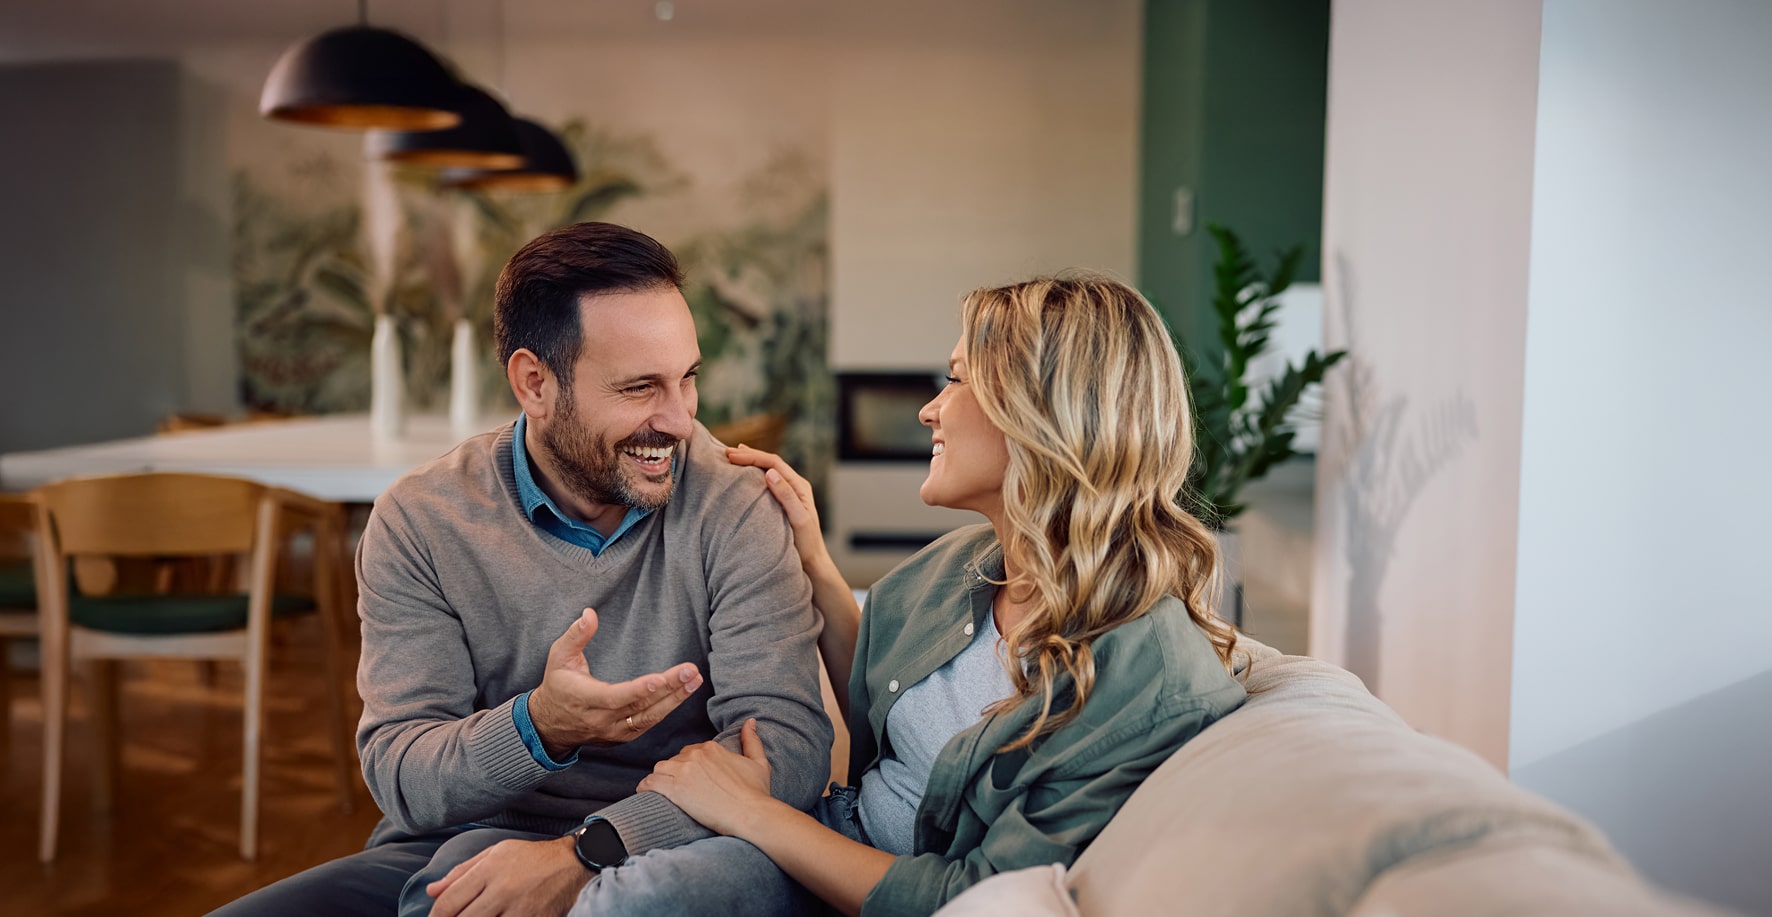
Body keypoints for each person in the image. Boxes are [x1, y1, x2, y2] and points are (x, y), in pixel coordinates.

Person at [571, 275, 1247, 917]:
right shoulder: (966, 567)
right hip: (830, 832)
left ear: (1040, 415)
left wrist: (751, 812)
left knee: (633, 899)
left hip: (859, 880)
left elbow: (971, 893)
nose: (929, 408)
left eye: (955, 380)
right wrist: (813, 560)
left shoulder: (1146, 673)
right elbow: (881, 706)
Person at [211, 222, 834, 917]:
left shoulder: (737, 504)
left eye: (686, 379)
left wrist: (588, 850)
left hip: (672, 846)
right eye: (639, 388)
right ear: (534, 382)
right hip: (458, 844)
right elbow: (404, 776)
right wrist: (541, 726)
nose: (681, 420)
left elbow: (787, 754)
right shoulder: (421, 518)